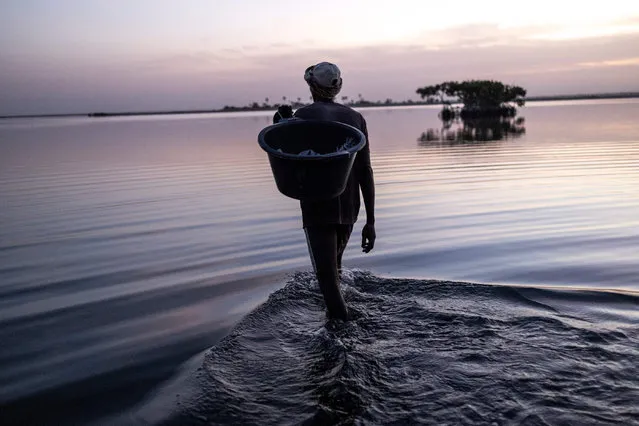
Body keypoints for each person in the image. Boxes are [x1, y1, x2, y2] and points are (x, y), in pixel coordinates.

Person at [273, 62, 376, 320]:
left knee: (326, 278)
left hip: (318, 205)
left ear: (311, 86)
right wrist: (370, 222)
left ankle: (344, 334)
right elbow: (366, 170)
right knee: (336, 270)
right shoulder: (356, 118)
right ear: (338, 86)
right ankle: (340, 322)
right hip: (350, 205)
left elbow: (285, 155)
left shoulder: (303, 117)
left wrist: (281, 123)